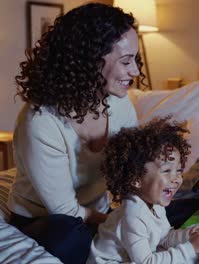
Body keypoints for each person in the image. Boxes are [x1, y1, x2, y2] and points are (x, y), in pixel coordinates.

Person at [7, 3, 142, 263]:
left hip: (98, 211)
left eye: (135, 60)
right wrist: (119, 224)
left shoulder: (120, 103)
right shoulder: (40, 121)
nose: (135, 71)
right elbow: (64, 210)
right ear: (90, 61)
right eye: (126, 61)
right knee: (68, 237)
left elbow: (131, 169)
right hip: (46, 219)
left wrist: (142, 211)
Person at [88, 117, 199, 263]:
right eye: (166, 171)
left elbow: (164, 237)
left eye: (178, 170)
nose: (177, 178)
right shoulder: (133, 215)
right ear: (136, 179)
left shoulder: (155, 203)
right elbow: (146, 262)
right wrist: (191, 248)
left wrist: (189, 235)